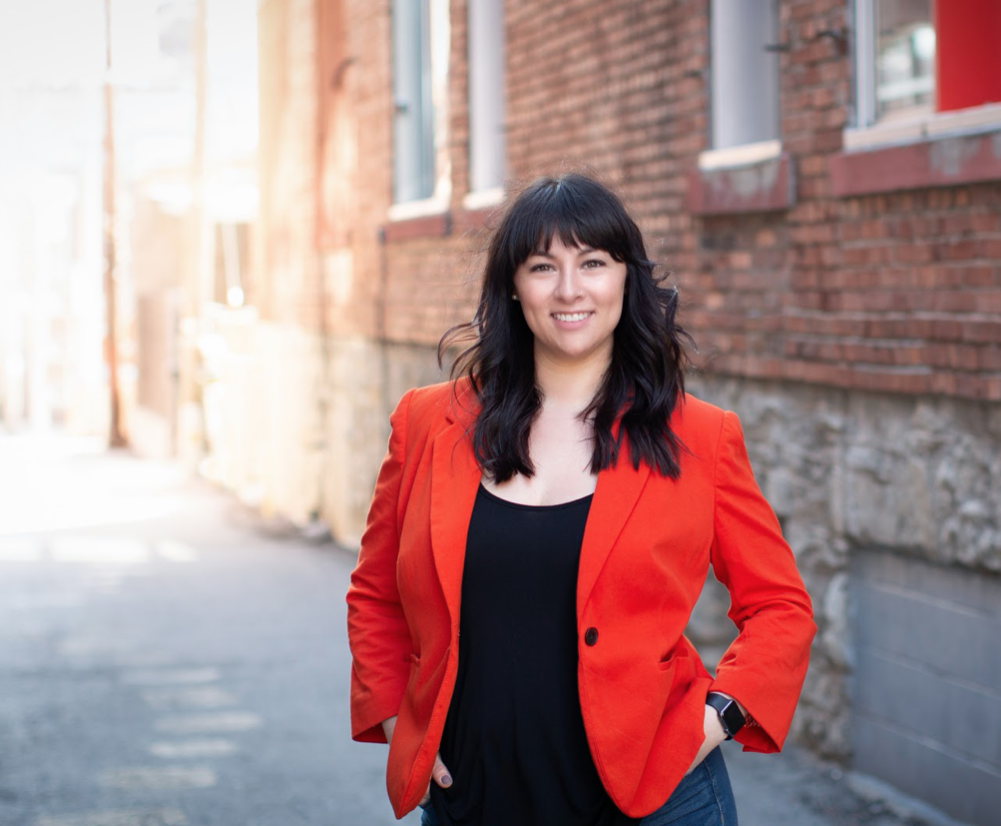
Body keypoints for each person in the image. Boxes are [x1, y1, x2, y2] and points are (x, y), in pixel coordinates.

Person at [346, 172, 816, 826]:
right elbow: (375, 594)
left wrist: (716, 721)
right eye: (544, 266)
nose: (570, 290)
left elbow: (779, 608)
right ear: (513, 285)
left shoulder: (700, 437)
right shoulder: (428, 424)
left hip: (653, 805)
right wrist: (399, 722)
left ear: (627, 279)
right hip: (475, 803)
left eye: (593, 262)